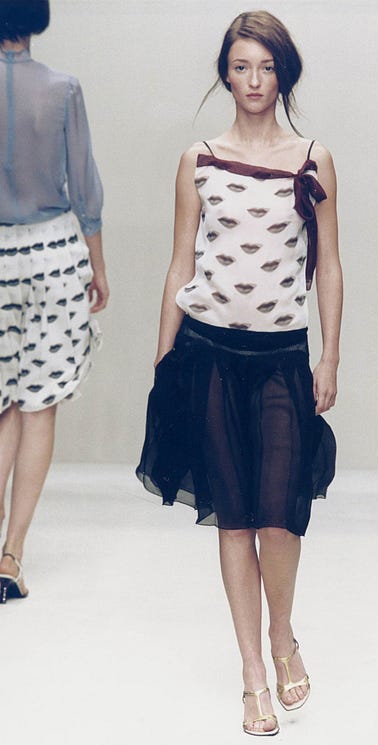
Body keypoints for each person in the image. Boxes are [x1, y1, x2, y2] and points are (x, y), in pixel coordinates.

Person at [137, 10, 342, 736]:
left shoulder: (313, 160)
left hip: (282, 356)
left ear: (284, 74)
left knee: (280, 518)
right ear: (225, 75)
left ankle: (283, 634)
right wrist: (164, 359)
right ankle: (253, 673)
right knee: (234, 519)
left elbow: (329, 265)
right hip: (210, 355)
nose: (254, 80)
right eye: (240, 66)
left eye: (266, 66)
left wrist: (330, 354)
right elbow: (180, 263)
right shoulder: (198, 160)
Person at [0, 0, 108, 603]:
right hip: (53, 256)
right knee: (38, 404)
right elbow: (84, 187)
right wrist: (99, 265)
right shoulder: (63, 90)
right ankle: (12, 554)